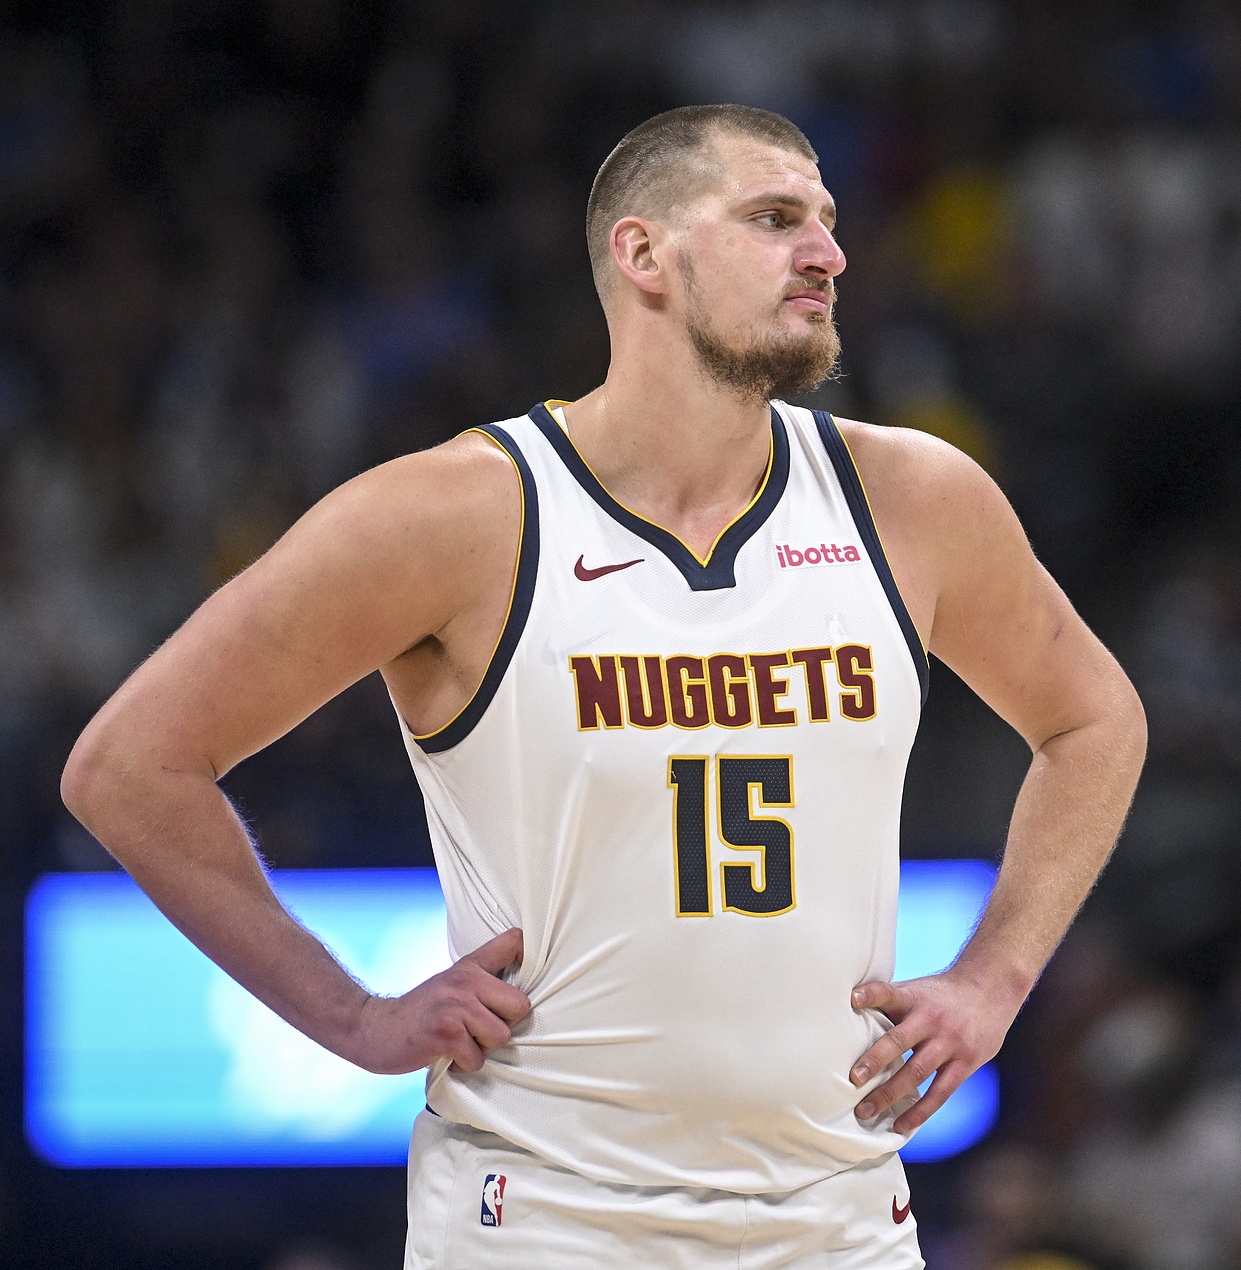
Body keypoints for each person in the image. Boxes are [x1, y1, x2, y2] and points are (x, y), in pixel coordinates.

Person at [61, 104, 1147, 1267]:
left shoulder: (913, 499)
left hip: (838, 1219)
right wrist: (349, 1015)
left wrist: (994, 977)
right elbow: (129, 767)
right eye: (773, 218)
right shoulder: (453, 514)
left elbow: (1093, 719)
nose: (827, 253)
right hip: (544, 1218)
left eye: (826, 222)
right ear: (643, 254)